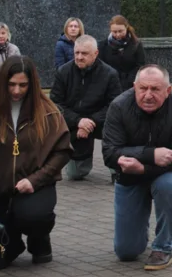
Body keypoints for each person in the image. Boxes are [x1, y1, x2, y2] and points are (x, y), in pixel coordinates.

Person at [0, 56, 72, 269]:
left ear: (32, 84)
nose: (17, 91)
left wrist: (36, 179)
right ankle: (13, 240)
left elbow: (62, 152)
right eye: (11, 85)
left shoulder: (48, 112)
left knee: (35, 216)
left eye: (23, 85)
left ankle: (39, 239)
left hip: (33, 188)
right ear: (2, 83)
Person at [102, 65, 172, 271]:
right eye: (143, 89)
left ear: (168, 90)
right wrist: (151, 154)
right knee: (126, 252)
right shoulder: (118, 106)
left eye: (155, 89)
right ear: (134, 87)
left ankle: (163, 246)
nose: (148, 95)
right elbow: (109, 153)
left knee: (168, 187)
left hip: (166, 174)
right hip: (129, 178)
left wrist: (143, 169)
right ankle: (137, 231)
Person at [50, 35, 122, 180]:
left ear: (95, 54)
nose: (79, 57)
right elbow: (55, 104)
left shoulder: (110, 74)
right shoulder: (63, 72)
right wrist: (78, 121)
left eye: (84, 53)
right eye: (77, 53)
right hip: (75, 124)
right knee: (75, 174)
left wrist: (90, 121)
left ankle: (116, 167)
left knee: (118, 127)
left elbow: (114, 105)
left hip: (101, 122)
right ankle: (81, 157)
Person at [99, 15, 147, 87]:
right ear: (110, 30)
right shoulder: (103, 45)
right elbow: (101, 65)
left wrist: (130, 80)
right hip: (110, 84)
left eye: (120, 31)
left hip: (130, 84)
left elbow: (140, 65)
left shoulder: (136, 44)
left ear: (126, 28)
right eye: (114, 32)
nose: (118, 34)